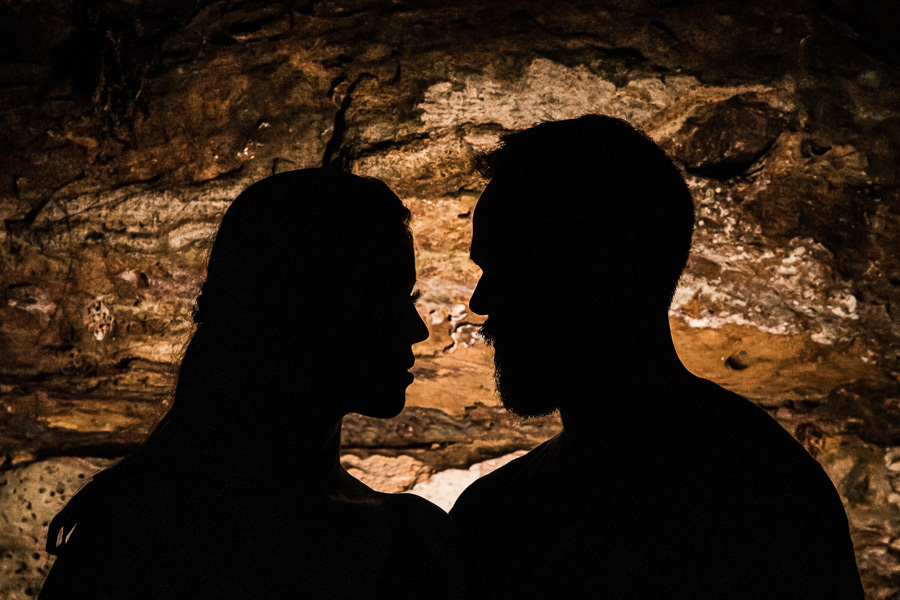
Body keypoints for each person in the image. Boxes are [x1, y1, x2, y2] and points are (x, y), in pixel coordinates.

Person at [449, 115, 864, 599]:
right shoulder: (490, 515)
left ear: (605, 270)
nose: (481, 301)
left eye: (512, 268)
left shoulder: (761, 498)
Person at [40, 169, 459, 600]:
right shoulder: (134, 536)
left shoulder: (134, 531)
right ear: (299, 307)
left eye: (409, 298)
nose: (418, 329)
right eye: (384, 297)